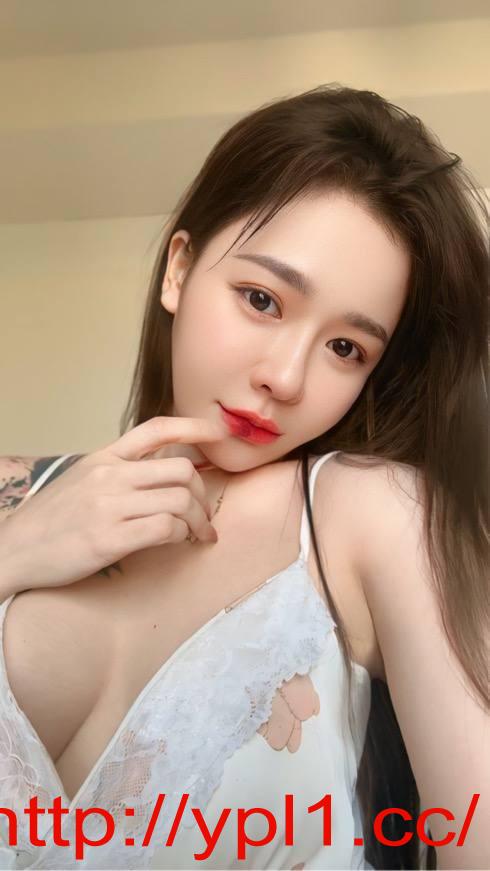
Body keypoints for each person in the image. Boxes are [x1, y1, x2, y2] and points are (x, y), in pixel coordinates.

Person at [0, 84, 488, 870]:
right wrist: (15, 550)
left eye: (346, 348)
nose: (286, 377)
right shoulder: (14, 495)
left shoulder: (367, 514)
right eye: (262, 299)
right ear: (179, 269)